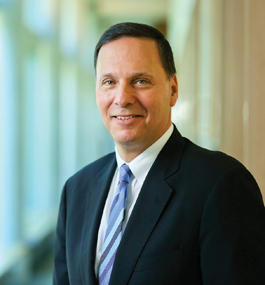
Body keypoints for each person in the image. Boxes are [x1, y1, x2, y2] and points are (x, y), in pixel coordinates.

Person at [53, 22, 265, 285]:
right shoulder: (76, 189)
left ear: (173, 89)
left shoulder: (221, 185)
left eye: (140, 81)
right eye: (109, 82)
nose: (122, 98)